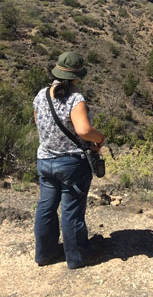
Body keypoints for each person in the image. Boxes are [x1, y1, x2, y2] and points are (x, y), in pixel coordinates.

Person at [33, 51, 104, 268]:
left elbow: (38, 122)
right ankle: (77, 257)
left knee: (46, 207)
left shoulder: (41, 95)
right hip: (71, 164)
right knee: (71, 210)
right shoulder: (75, 98)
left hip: (45, 161)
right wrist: (99, 138)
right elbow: (83, 130)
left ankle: (45, 254)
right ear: (77, 76)